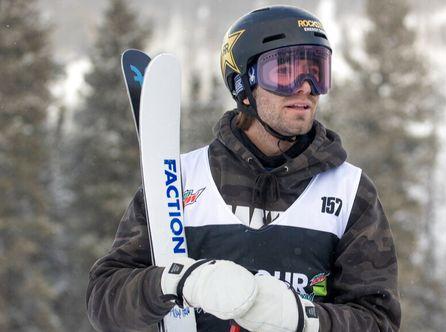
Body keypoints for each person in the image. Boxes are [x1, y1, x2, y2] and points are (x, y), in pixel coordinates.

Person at [87, 5, 401, 332]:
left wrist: (304, 321)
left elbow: (379, 322)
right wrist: (178, 282)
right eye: (285, 71)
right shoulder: (178, 182)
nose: (306, 87)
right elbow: (104, 301)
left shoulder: (349, 192)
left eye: (316, 70)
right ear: (243, 86)